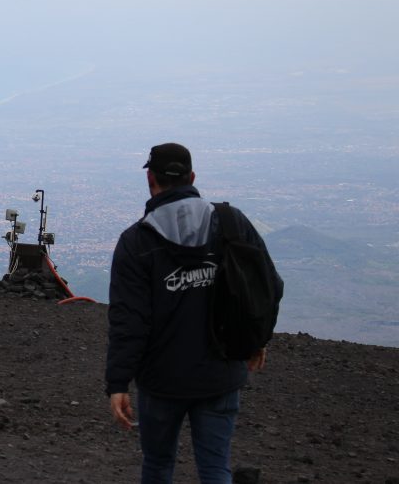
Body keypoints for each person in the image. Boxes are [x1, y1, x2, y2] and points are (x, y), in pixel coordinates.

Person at [105, 143, 283, 484]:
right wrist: (257, 339)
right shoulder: (231, 223)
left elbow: (129, 321)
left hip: (161, 381)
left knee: (157, 466)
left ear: (150, 179)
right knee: (216, 469)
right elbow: (268, 286)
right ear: (192, 177)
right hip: (220, 373)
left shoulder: (136, 242)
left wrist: (118, 382)